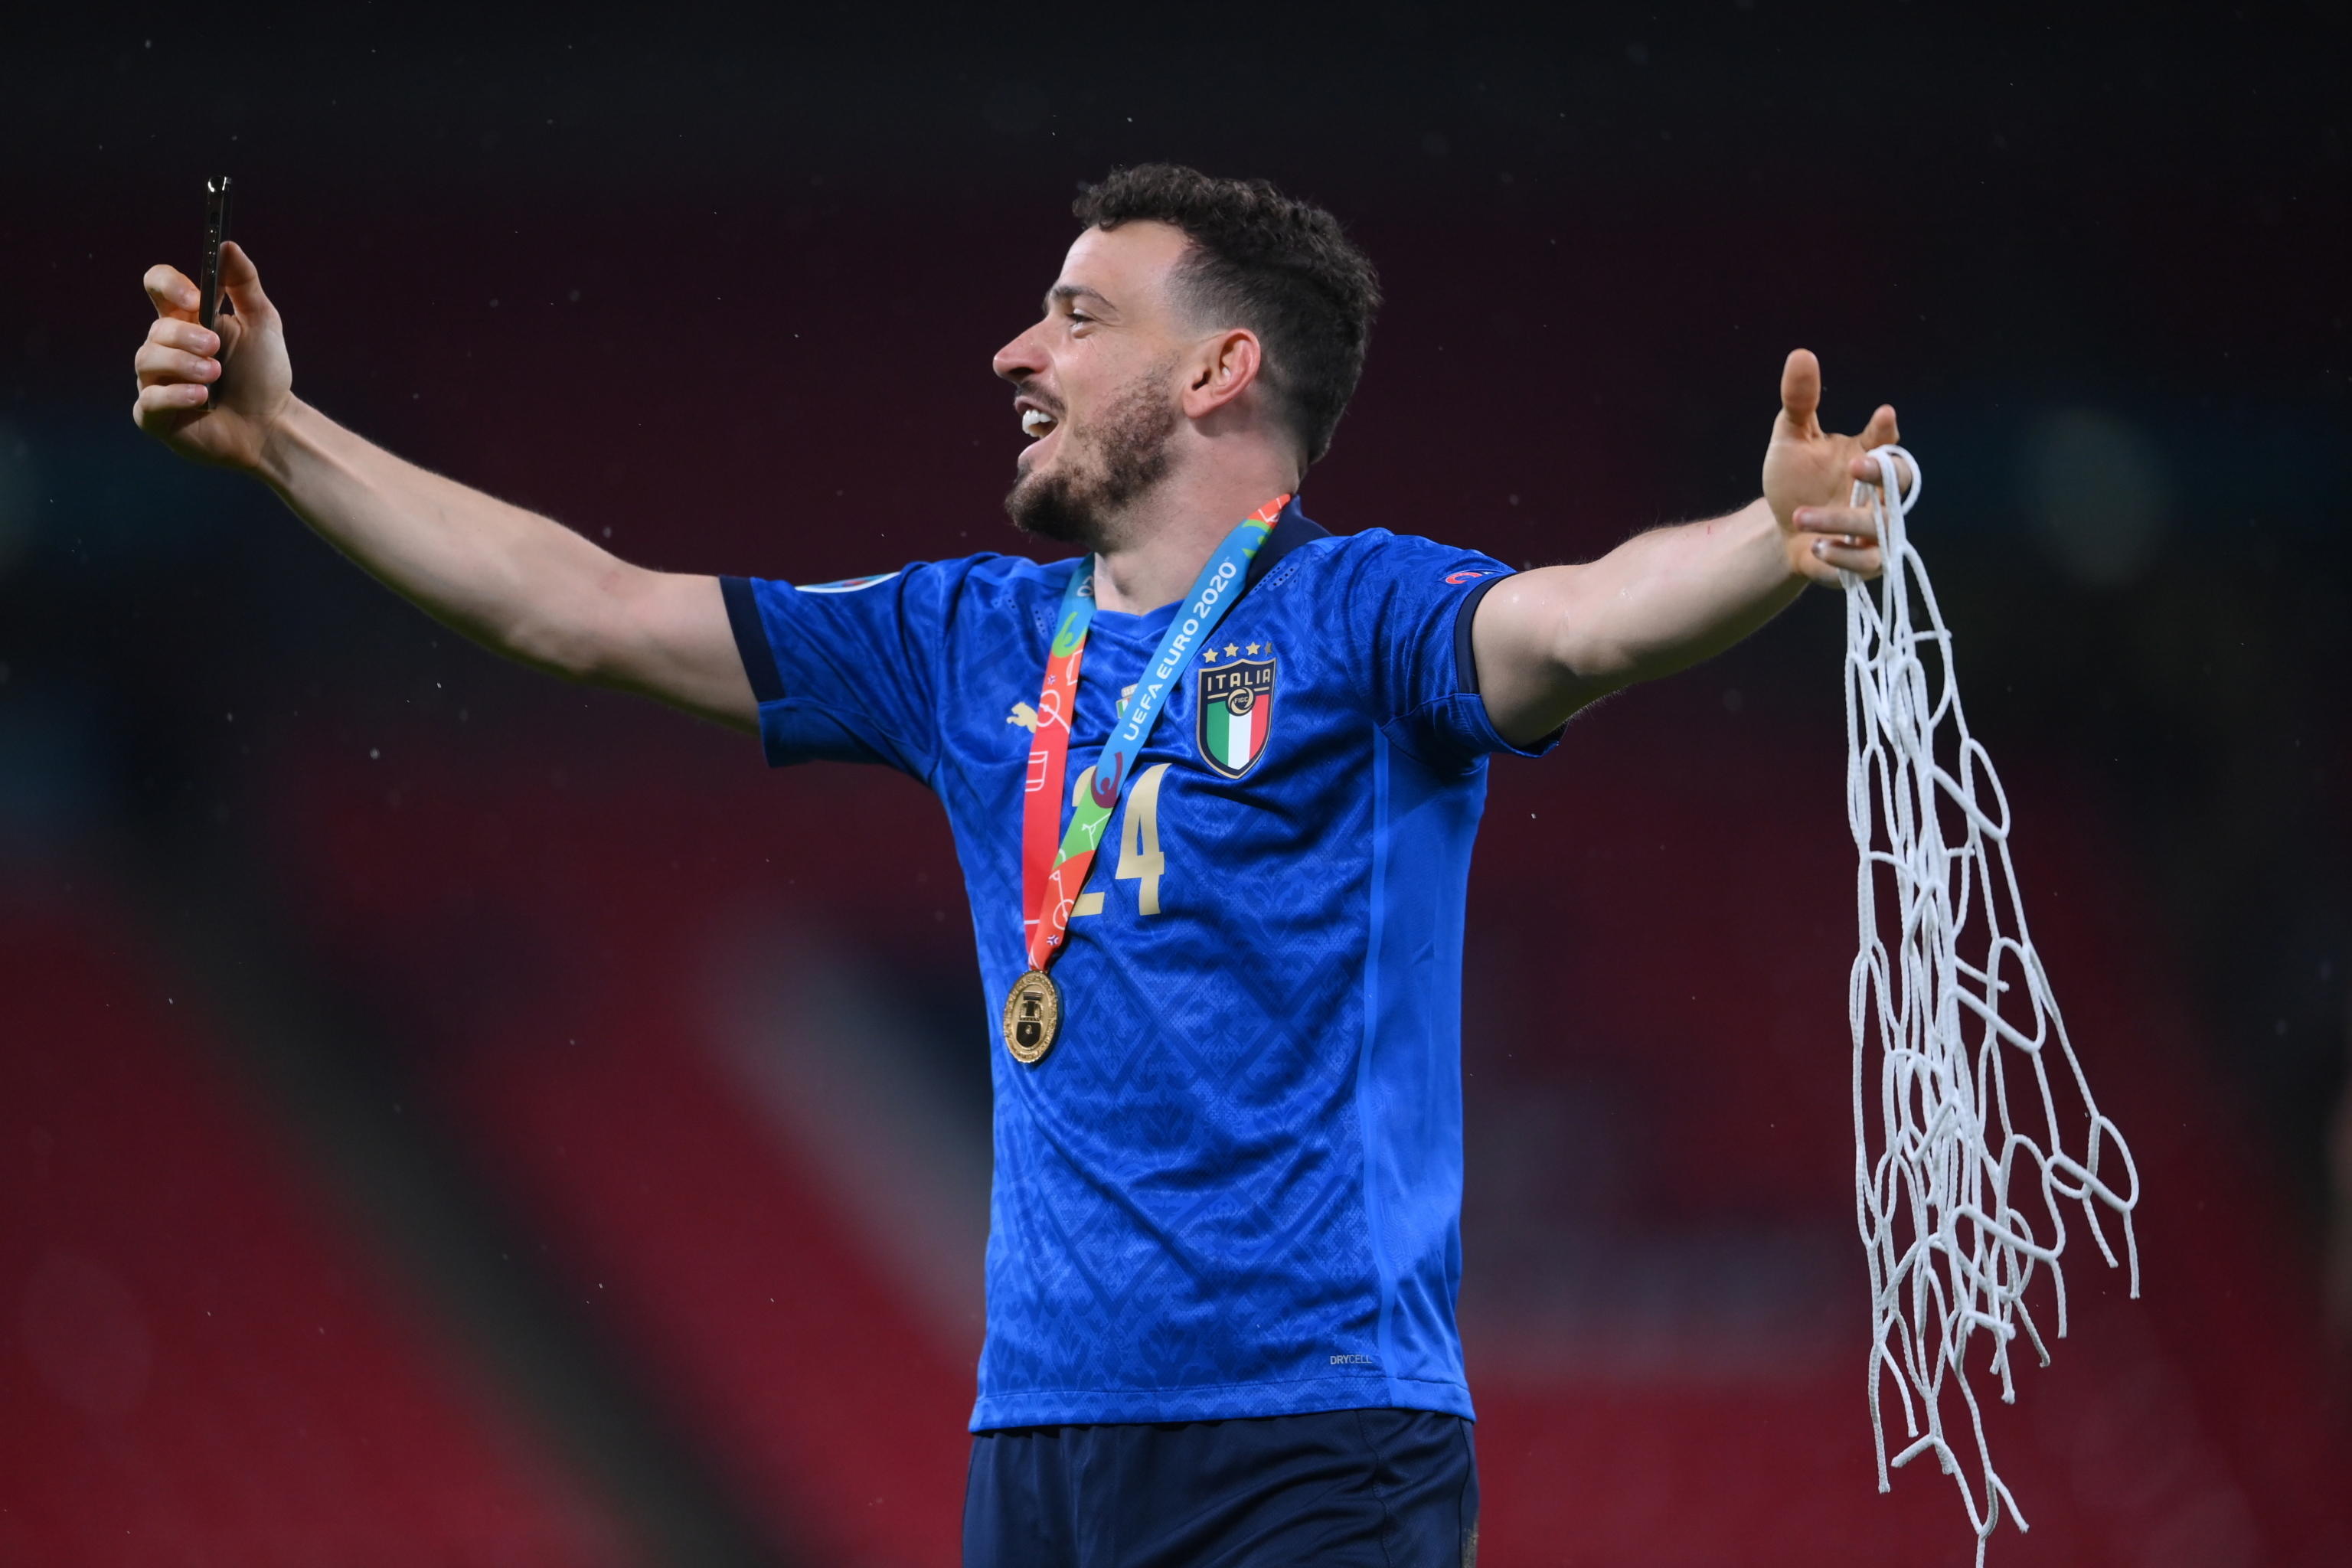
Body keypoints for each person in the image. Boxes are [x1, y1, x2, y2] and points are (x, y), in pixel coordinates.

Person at [133, 163, 1899, 1568]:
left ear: (1219, 369)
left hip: (1310, 1437)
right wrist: (287, 439)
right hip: (1043, 1441)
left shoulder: (1362, 616)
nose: (1014, 354)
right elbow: (583, 609)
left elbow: (1579, 624)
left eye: (1075, 315)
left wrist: (1767, 537)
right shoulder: (963, 638)